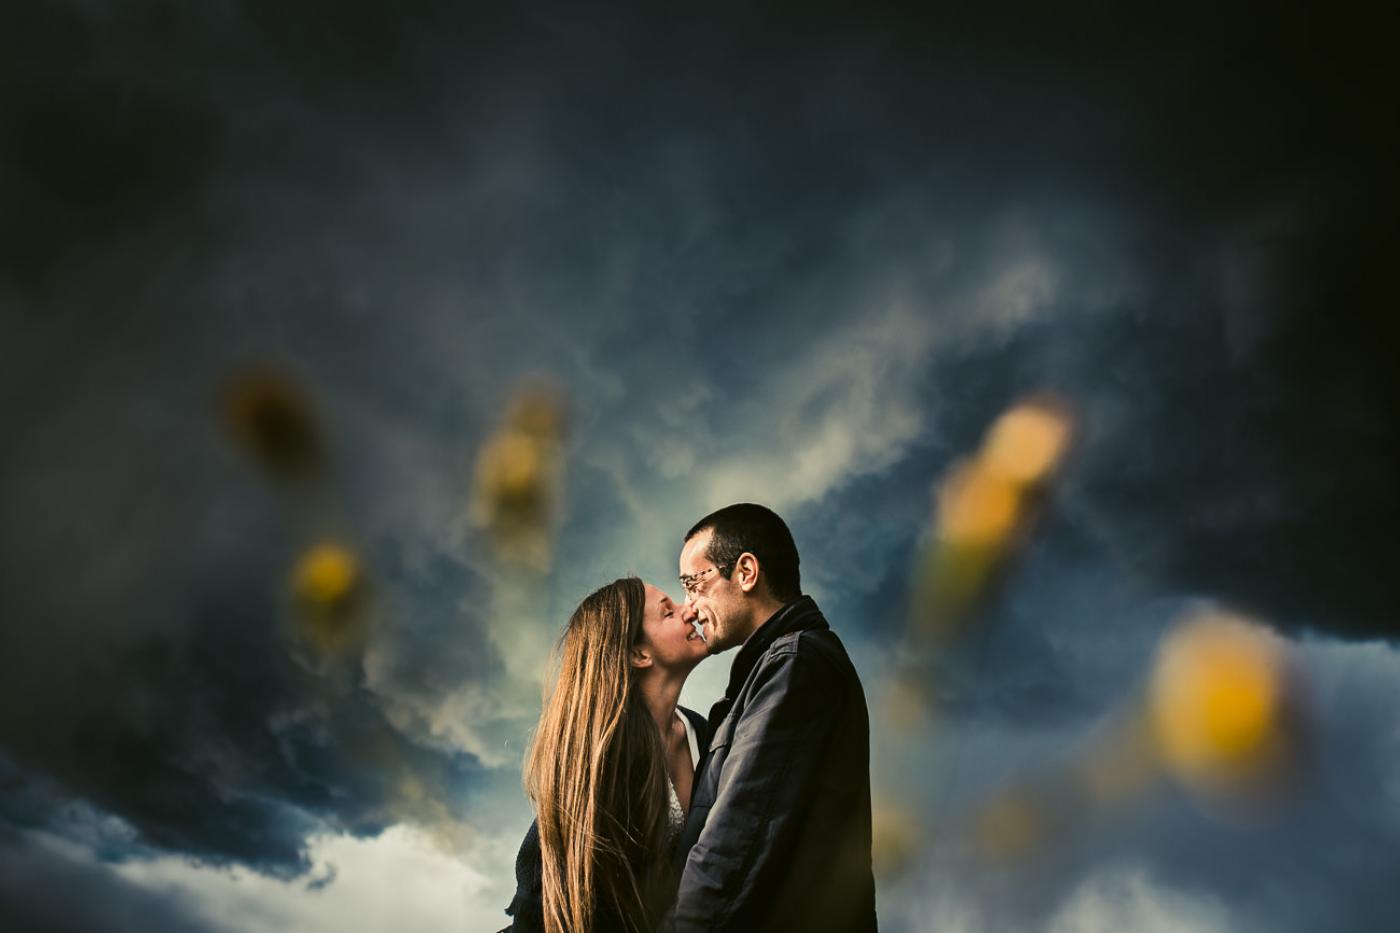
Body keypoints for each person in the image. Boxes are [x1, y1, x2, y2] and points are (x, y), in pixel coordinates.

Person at [667, 503, 877, 932]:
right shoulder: (771, 672)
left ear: (745, 572)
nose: (690, 606)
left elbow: (733, 850)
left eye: (694, 583)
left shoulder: (794, 665)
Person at [503, 577, 711, 933]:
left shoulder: (702, 732)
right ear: (639, 654)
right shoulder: (601, 766)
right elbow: (545, 898)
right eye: (668, 612)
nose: (689, 610)